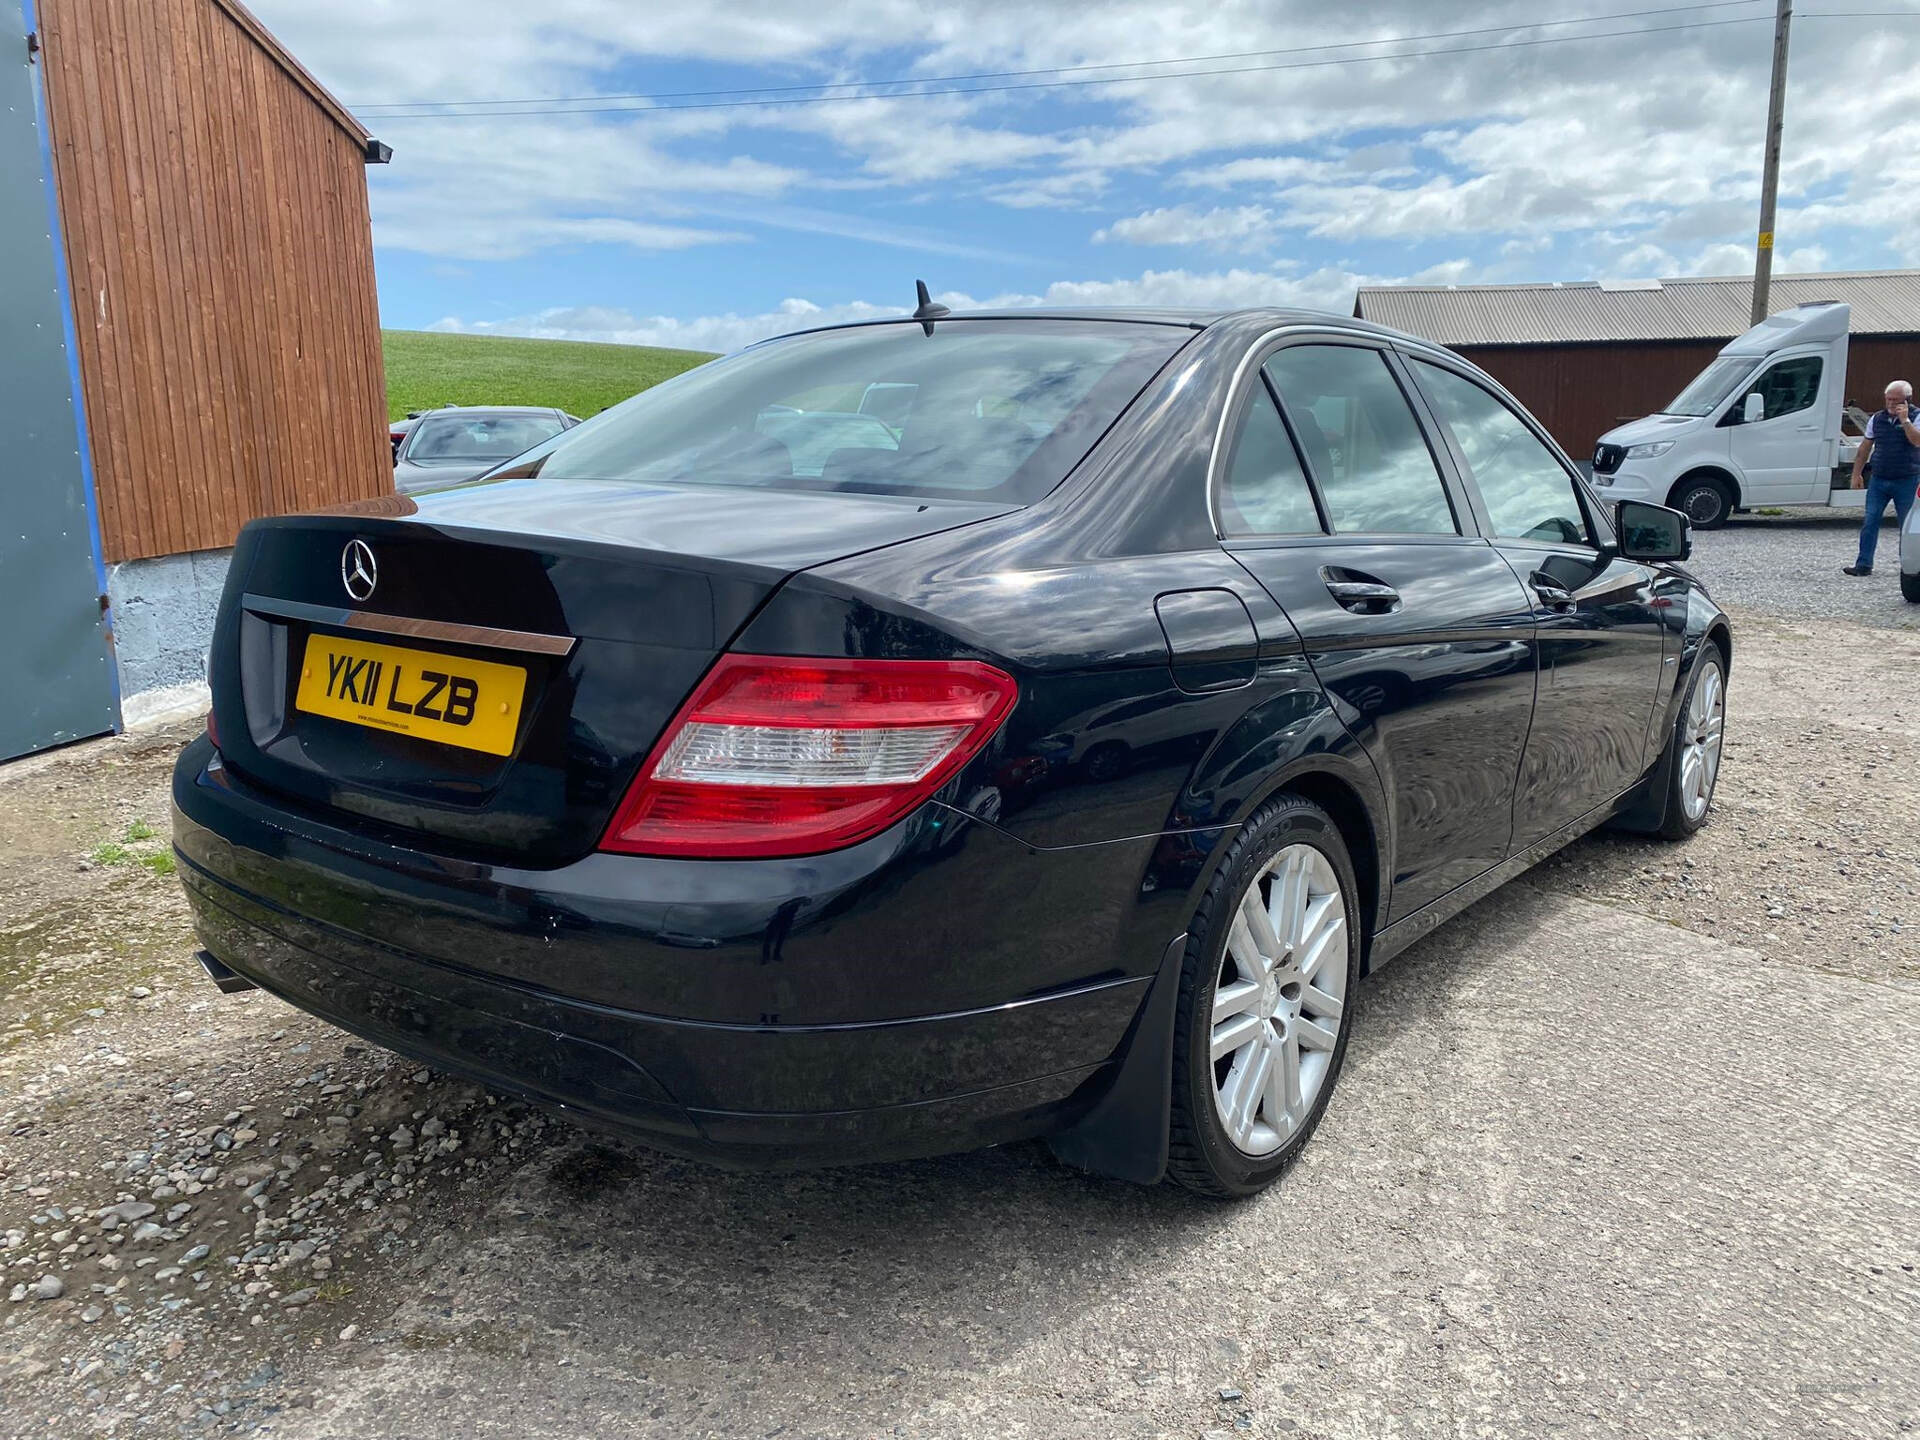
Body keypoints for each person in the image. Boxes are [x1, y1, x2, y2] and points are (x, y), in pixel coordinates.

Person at [1844, 380, 1920, 576]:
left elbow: (1917, 441)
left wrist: (1905, 421)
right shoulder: (1877, 419)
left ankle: (1908, 568)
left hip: (1908, 478)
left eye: (1895, 400)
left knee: (1907, 525)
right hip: (1880, 478)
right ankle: (1863, 564)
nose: (1891, 404)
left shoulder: (1917, 417)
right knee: (1870, 520)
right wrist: (1856, 474)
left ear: (1907, 401)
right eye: (1888, 400)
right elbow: (1865, 448)